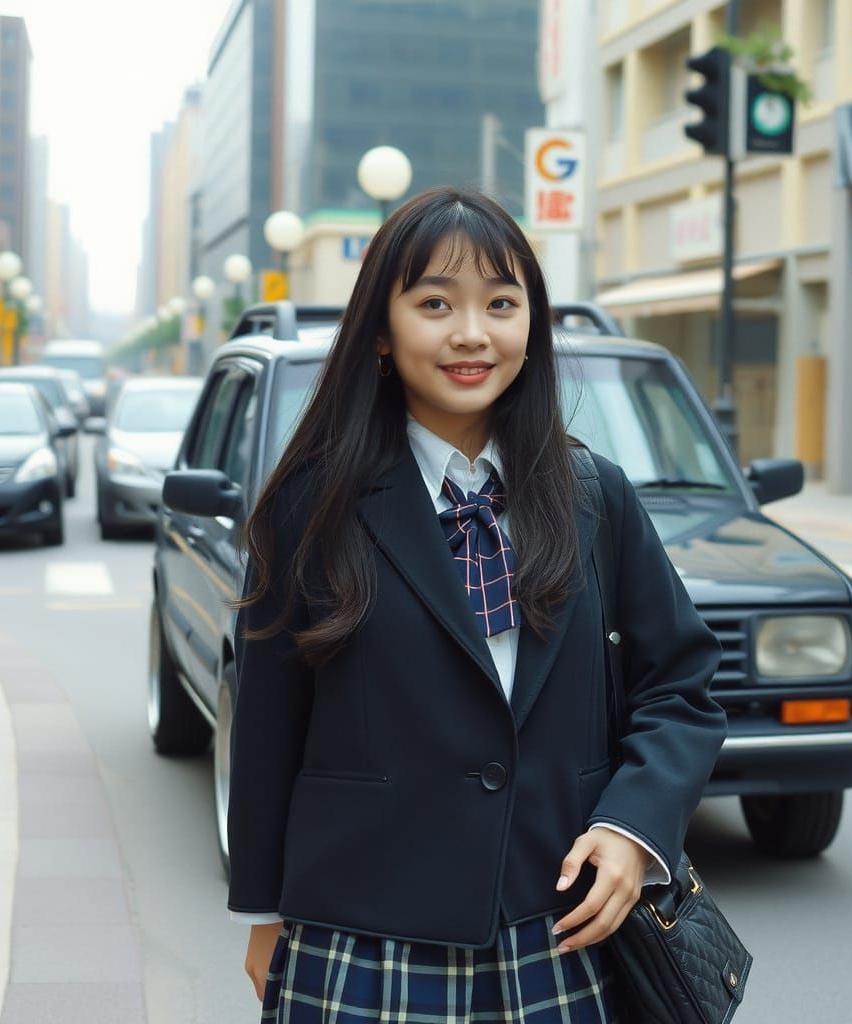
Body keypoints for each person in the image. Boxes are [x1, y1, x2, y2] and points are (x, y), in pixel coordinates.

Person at [227, 187, 726, 1022]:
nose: (472, 333)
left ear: (531, 325)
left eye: (502, 303)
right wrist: (263, 912)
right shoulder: (311, 505)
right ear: (381, 332)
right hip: (359, 937)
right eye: (435, 303)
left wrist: (635, 831)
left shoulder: (592, 495)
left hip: (556, 935)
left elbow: (680, 685)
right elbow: (267, 722)